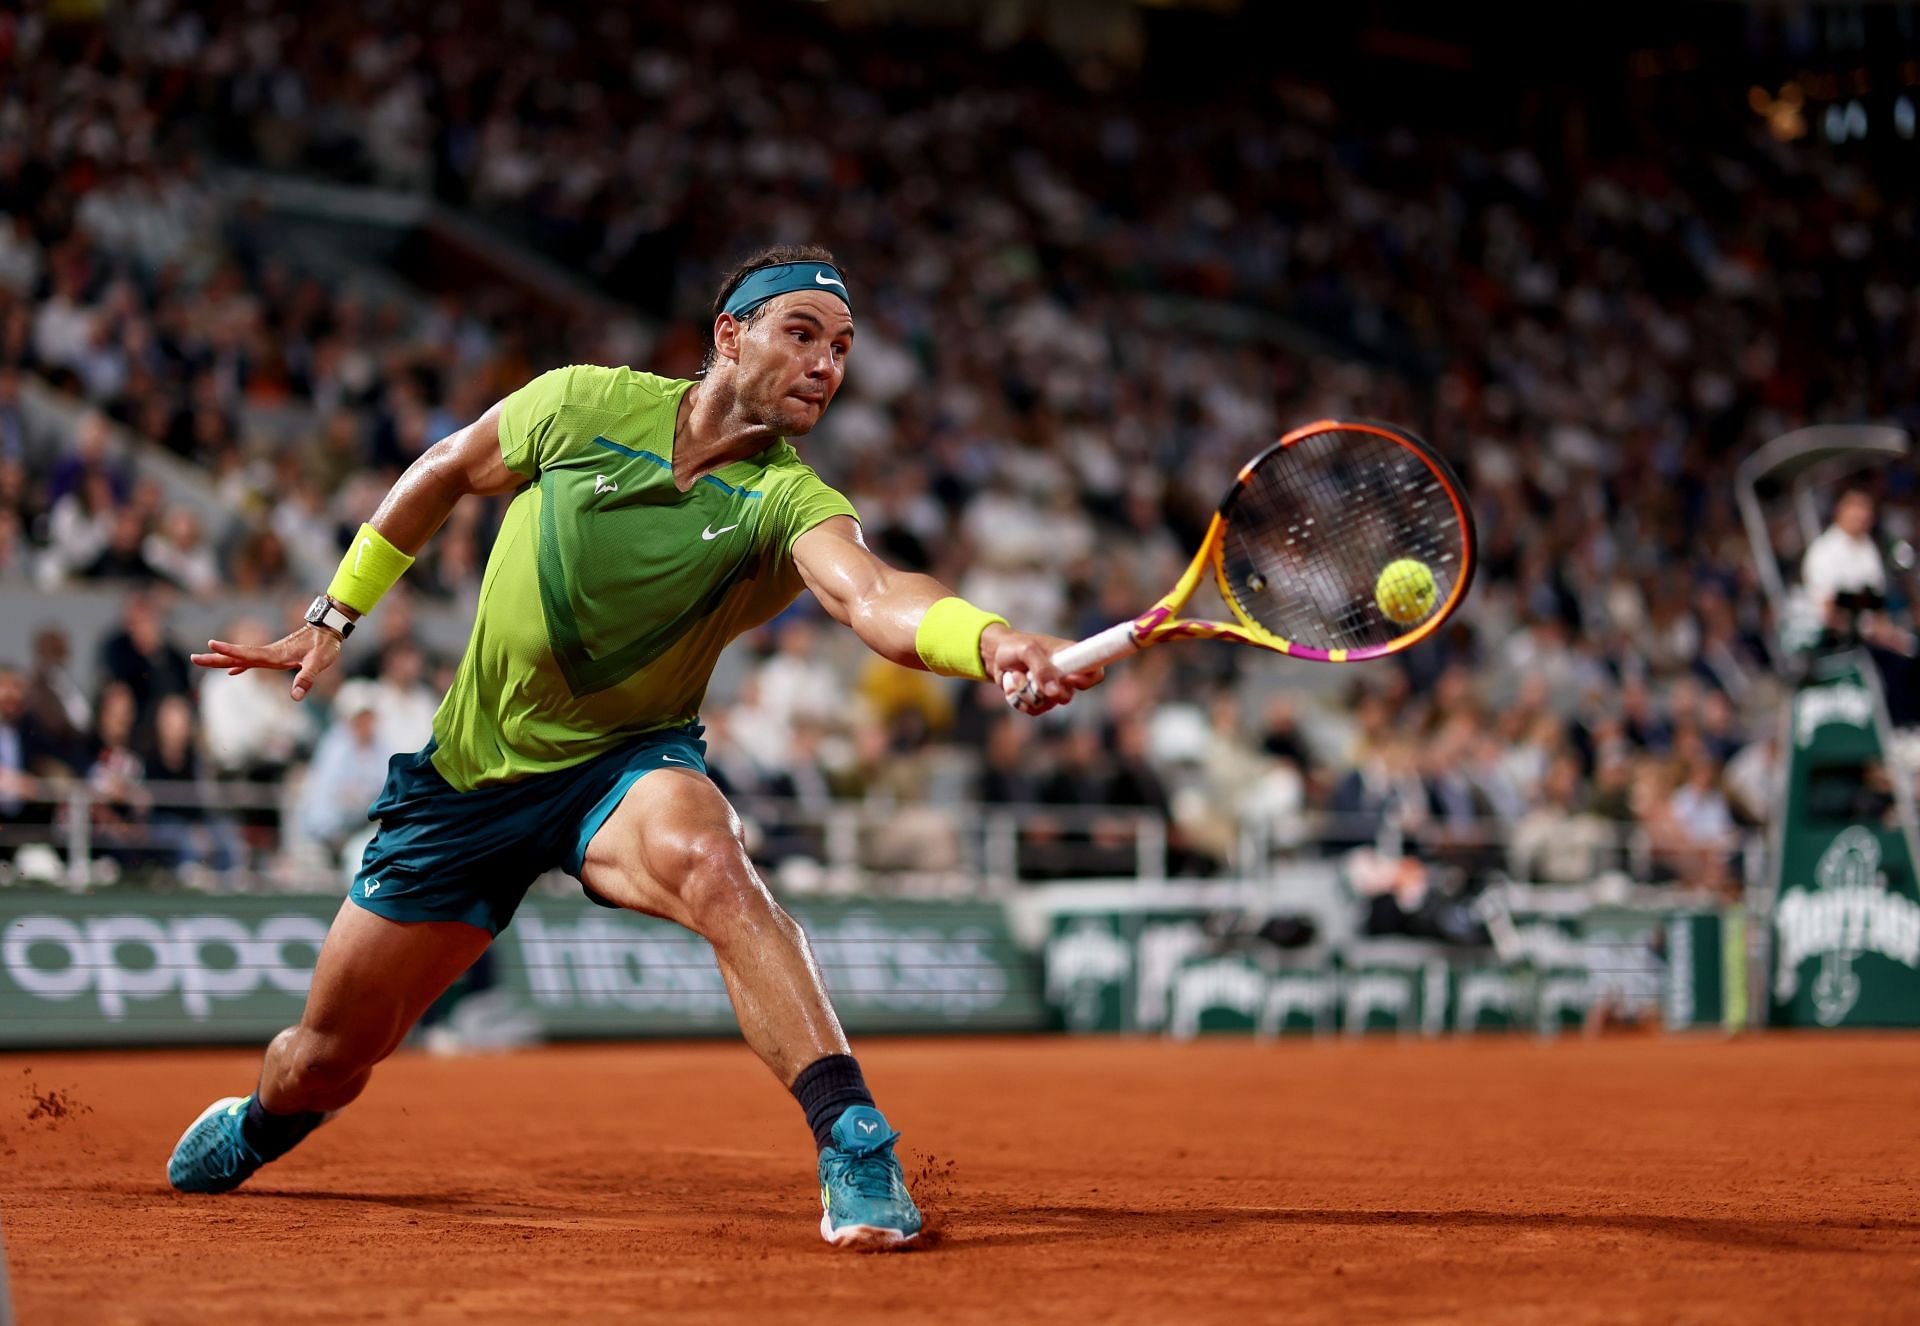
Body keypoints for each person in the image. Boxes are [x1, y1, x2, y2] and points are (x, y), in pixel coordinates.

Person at [166, 246, 1101, 1249]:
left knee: (717, 866)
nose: (827, 364)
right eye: (801, 334)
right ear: (727, 335)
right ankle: (264, 1123)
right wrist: (334, 614)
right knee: (324, 1061)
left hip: (624, 766)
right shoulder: (581, 406)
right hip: (468, 784)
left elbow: (871, 597)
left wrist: (993, 640)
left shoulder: (790, 500)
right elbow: (442, 470)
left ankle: (856, 1141)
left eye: (841, 347)